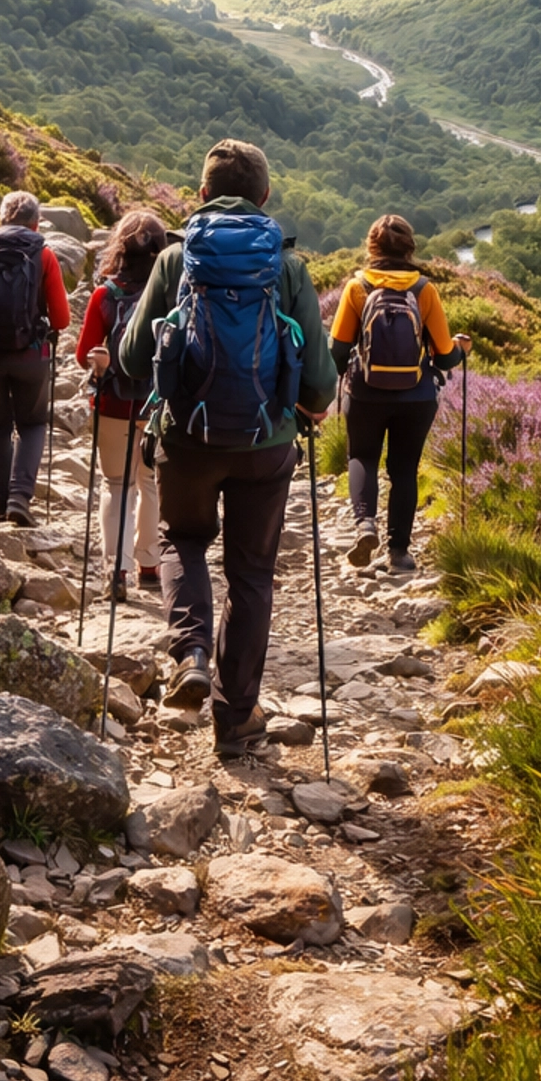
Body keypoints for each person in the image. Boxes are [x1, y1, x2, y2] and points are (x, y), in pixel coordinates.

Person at [120, 139, 336, 760]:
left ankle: (189, 652)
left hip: (187, 437)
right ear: (265, 197)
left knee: (182, 540)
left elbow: (136, 359)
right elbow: (321, 383)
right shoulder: (288, 268)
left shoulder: (175, 259)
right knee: (252, 576)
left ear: (202, 195)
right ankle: (235, 717)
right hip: (266, 445)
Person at [327, 213, 468, 577]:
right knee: (404, 469)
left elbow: (337, 352)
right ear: (410, 248)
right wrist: (460, 348)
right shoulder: (424, 290)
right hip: (416, 396)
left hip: (365, 393)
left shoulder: (357, 287)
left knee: (362, 457)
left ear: (371, 248)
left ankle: (365, 526)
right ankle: (399, 553)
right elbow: (444, 356)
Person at [0, 191, 70, 526]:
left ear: (2, 219)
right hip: (32, 356)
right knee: (32, 424)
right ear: (37, 222)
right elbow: (61, 319)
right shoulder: (44, 254)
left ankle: (0, 504)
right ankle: (21, 498)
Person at [75, 207, 171, 601]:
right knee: (150, 482)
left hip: (113, 400)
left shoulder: (104, 295)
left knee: (117, 485)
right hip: (155, 404)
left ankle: (116, 569)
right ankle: (149, 566)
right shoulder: (168, 295)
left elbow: (85, 353)